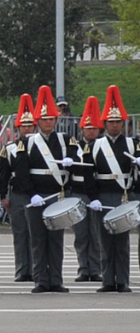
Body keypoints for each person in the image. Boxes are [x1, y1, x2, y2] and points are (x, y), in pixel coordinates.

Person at [12, 86, 80, 293]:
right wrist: (32, 194)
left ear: (56, 120)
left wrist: (72, 160)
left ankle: (56, 280)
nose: (48, 122)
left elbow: (77, 162)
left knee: (56, 240)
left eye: (51, 118)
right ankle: (41, 280)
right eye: (44, 119)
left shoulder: (66, 140)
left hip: (57, 195)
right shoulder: (27, 142)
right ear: (37, 121)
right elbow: (22, 172)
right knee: (38, 240)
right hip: (37, 196)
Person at [88, 86, 136, 292]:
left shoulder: (133, 144)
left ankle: (123, 281)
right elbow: (89, 174)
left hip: (124, 195)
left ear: (122, 123)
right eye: (111, 122)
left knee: (122, 242)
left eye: (117, 122)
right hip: (104, 196)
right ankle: (107, 280)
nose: (114, 125)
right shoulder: (96, 145)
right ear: (105, 124)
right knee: (105, 240)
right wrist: (93, 197)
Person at [0, 96, 36, 283]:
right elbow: (3, 175)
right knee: (20, 233)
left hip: (36, 195)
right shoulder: (9, 148)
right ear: (18, 128)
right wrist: (3, 196)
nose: (27, 129)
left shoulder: (40, 146)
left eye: (30, 125)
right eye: (24, 126)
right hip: (18, 195)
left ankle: (37, 269)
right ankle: (22, 269)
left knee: (36, 234)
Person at [71, 96, 104, 283]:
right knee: (81, 234)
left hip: (96, 193)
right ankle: (83, 268)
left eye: (94, 128)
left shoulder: (101, 145)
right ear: (82, 128)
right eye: (88, 128)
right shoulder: (74, 146)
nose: (91, 131)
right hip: (78, 192)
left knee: (96, 233)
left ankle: (96, 268)